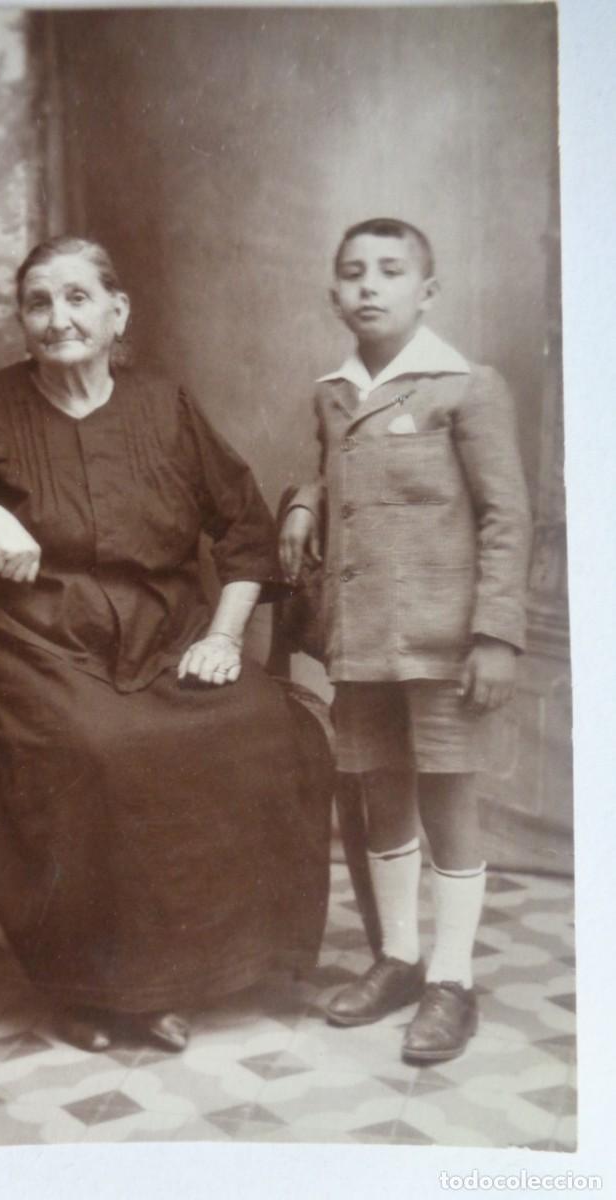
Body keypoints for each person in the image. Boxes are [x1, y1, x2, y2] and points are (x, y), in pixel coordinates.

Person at [0, 235, 331, 1054]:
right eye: (38, 301)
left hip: (167, 633)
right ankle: (99, 987)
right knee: (103, 750)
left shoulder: (164, 404)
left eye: (77, 298)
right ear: (23, 318)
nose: (57, 317)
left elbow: (244, 527)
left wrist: (222, 635)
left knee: (265, 724)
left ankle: (230, 962)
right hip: (37, 646)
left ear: (118, 313)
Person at [280, 218, 531, 1063]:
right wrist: (304, 502)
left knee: (448, 801)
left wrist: (494, 634)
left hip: (442, 641)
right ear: (333, 293)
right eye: (352, 273)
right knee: (379, 796)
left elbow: (507, 516)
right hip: (361, 643)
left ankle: (451, 980)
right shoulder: (332, 392)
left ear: (427, 290)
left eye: (390, 271)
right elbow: (330, 468)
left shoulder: (467, 385)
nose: (369, 287)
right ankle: (397, 957)